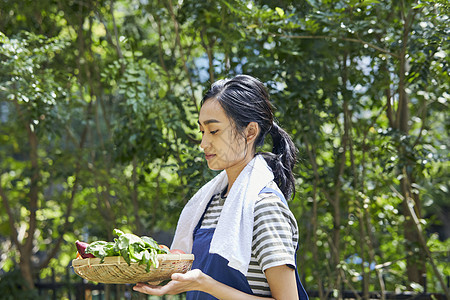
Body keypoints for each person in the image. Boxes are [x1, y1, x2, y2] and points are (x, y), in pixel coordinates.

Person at [133, 75, 308, 299]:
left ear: (250, 132)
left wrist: (206, 284)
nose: (204, 143)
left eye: (214, 131)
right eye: (202, 132)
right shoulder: (208, 204)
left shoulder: (265, 207)